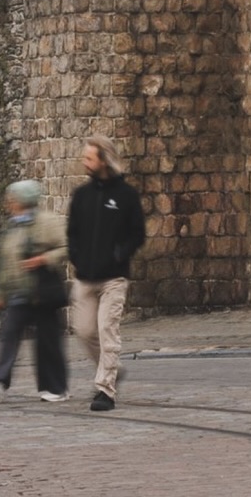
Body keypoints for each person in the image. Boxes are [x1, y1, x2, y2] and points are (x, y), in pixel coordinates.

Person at [66, 133, 146, 412]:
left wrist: (120, 254)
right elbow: (72, 233)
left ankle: (105, 390)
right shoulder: (81, 196)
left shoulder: (126, 196)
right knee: (84, 330)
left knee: (106, 330)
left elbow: (138, 234)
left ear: (104, 160)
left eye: (89, 158)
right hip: (85, 277)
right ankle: (112, 368)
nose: (84, 162)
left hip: (113, 278)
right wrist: (76, 257)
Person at [0, 180, 69, 404]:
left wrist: (43, 258)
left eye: (12, 199)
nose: (8, 204)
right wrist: (3, 294)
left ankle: (56, 387)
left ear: (23, 200)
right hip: (19, 293)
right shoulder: (13, 226)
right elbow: (7, 263)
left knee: (48, 342)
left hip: (43, 292)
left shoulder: (47, 222)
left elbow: (65, 248)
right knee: (9, 336)